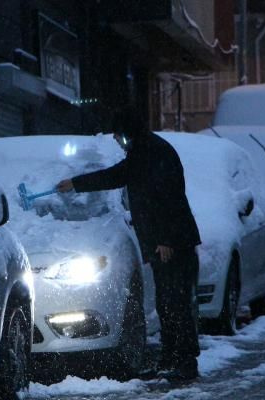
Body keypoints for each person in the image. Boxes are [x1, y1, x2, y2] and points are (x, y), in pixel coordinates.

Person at [56, 106, 202, 381]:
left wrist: (165, 240)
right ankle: (171, 358)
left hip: (173, 243)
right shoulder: (142, 153)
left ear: (128, 132)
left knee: (177, 303)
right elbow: (115, 176)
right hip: (166, 243)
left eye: (118, 135)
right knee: (167, 303)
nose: (116, 140)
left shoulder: (153, 153)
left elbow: (169, 198)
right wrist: (75, 183)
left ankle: (185, 361)